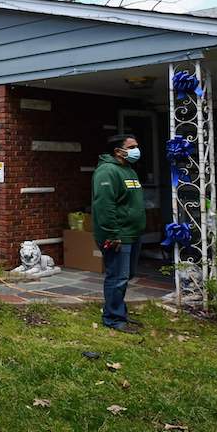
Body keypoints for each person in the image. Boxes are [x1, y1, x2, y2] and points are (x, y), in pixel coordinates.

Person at [91, 134, 146, 333]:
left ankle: (118, 311)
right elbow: (105, 206)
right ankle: (113, 319)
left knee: (126, 275)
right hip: (117, 235)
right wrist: (112, 234)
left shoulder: (129, 170)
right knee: (117, 277)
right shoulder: (107, 171)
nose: (136, 150)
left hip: (132, 233)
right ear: (118, 151)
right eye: (132, 146)